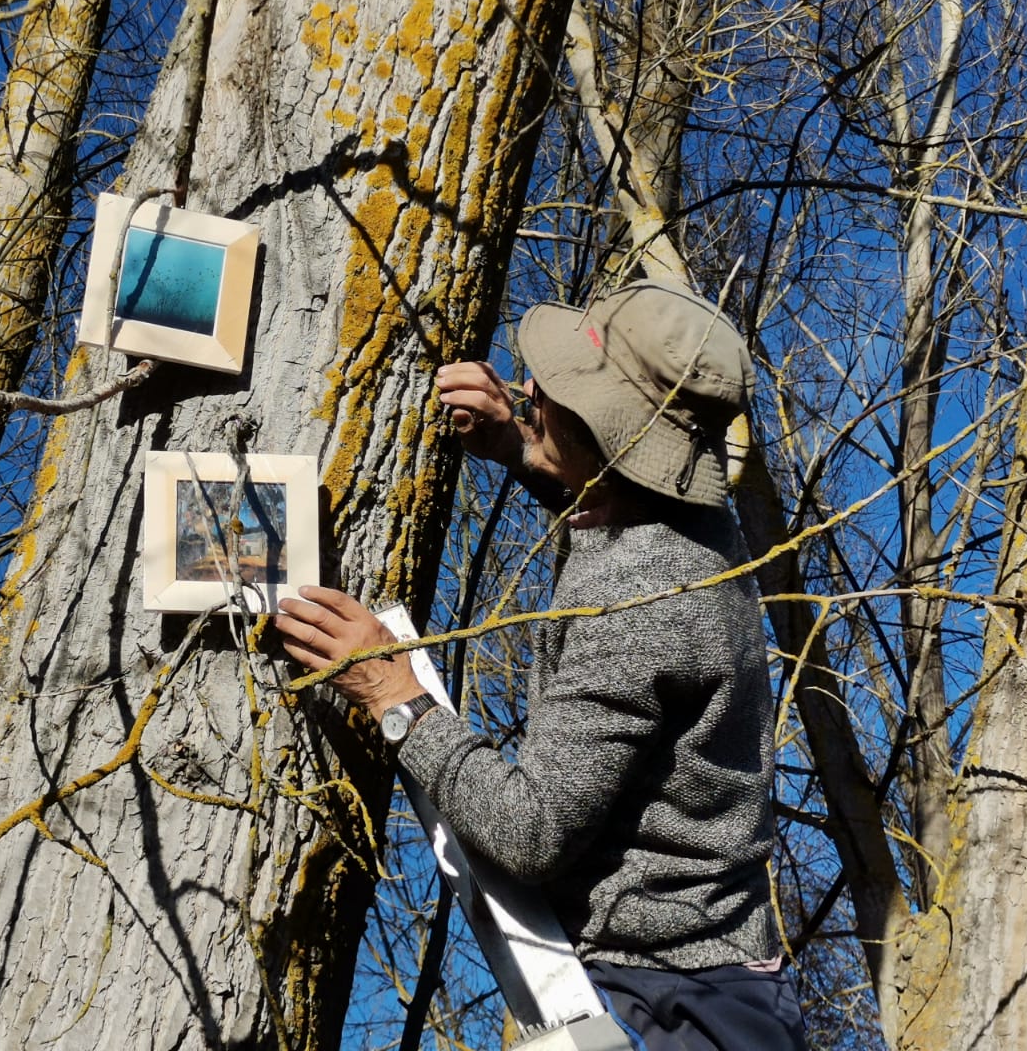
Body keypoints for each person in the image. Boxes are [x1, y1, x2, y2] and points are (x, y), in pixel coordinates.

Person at [276, 279, 808, 1050]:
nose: (530, 389)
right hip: (707, 973)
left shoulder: (637, 603)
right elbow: (621, 506)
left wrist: (396, 696)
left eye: (556, 393)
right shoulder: (694, 526)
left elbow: (530, 833)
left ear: (603, 430)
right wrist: (524, 444)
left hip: (665, 1007)